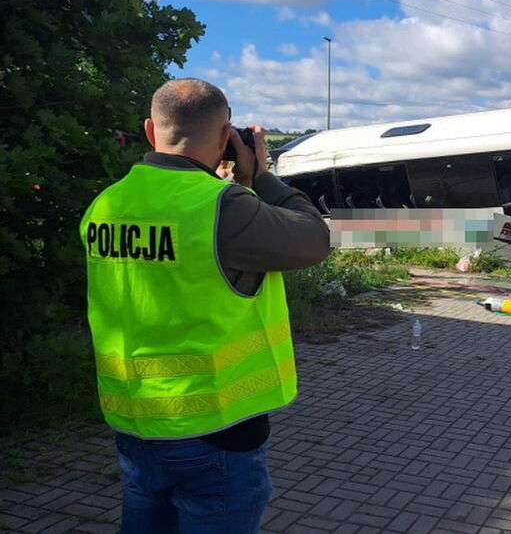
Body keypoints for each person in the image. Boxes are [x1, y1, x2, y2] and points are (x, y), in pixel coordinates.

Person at [80, 78, 330, 533]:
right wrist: (262, 177)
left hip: (134, 422)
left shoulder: (106, 203)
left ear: (150, 132)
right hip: (215, 431)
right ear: (225, 138)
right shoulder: (223, 206)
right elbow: (314, 240)